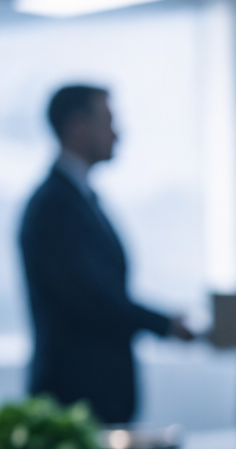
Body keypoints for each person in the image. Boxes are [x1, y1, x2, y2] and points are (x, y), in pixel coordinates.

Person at [19, 85, 192, 424]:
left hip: (97, 393)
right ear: (77, 126)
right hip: (74, 397)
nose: (118, 132)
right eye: (108, 120)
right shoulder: (53, 206)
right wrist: (166, 324)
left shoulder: (80, 199)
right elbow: (89, 298)